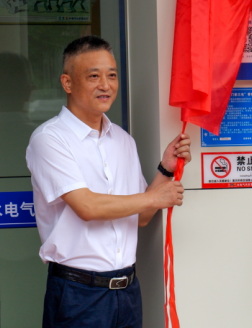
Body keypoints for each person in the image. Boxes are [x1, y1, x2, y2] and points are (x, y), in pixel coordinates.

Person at [26, 36, 190, 328]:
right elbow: (87, 207)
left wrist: (165, 169)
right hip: (78, 293)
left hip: (127, 291)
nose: (106, 85)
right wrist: (155, 197)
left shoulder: (123, 140)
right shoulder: (49, 139)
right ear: (67, 83)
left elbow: (141, 216)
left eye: (112, 75)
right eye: (94, 76)